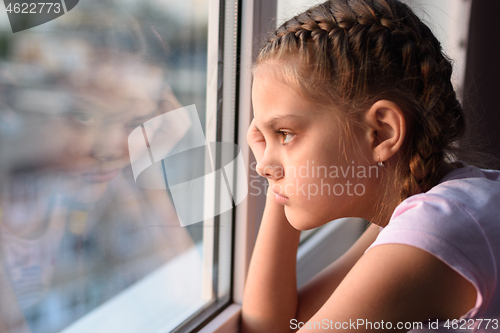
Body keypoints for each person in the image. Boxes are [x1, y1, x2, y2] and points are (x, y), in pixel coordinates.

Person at [241, 0, 500, 332]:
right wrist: (279, 166)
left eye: (286, 133)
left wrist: (283, 175)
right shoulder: (424, 207)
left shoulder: (433, 233)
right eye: (262, 136)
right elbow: (281, 324)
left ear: (381, 133)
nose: (261, 167)